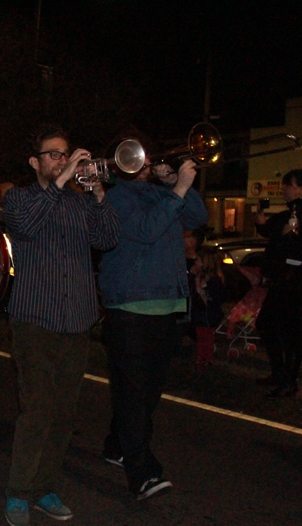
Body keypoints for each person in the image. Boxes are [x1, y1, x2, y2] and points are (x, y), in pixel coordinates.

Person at [1, 127, 119, 526]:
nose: (62, 161)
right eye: (53, 155)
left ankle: (44, 488)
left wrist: (101, 196)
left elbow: (108, 239)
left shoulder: (81, 202)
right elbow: (27, 228)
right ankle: (18, 492)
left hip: (77, 321)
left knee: (65, 414)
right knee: (36, 411)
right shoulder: (18, 198)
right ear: (35, 162)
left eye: (65, 155)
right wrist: (66, 177)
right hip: (35, 321)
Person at [97, 157, 208, 501]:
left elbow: (197, 217)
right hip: (129, 303)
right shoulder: (117, 197)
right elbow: (144, 231)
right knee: (133, 391)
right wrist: (177, 189)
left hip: (167, 301)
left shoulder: (162, 193)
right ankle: (141, 472)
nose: (144, 164)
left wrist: (176, 182)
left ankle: (118, 444)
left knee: (149, 391)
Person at [254, 169, 302, 397]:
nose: (284, 189)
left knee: (290, 330)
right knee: (269, 324)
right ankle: (281, 373)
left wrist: (286, 235)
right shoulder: (292, 212)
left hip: (295, 282)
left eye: (288, 185)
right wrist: (263, 223)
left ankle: (289, 379)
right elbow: (272, 230)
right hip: (284, 280)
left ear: (301, 188)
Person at [190, 246, 226, 367]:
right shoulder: (197, 276)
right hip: (199, 311)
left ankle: (207, 358)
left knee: (207, 336)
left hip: (209, 312)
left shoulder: (214, 279)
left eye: (198, 260)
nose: (196, 262)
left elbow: (217, 297)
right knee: (200, 336)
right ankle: (200, 357)